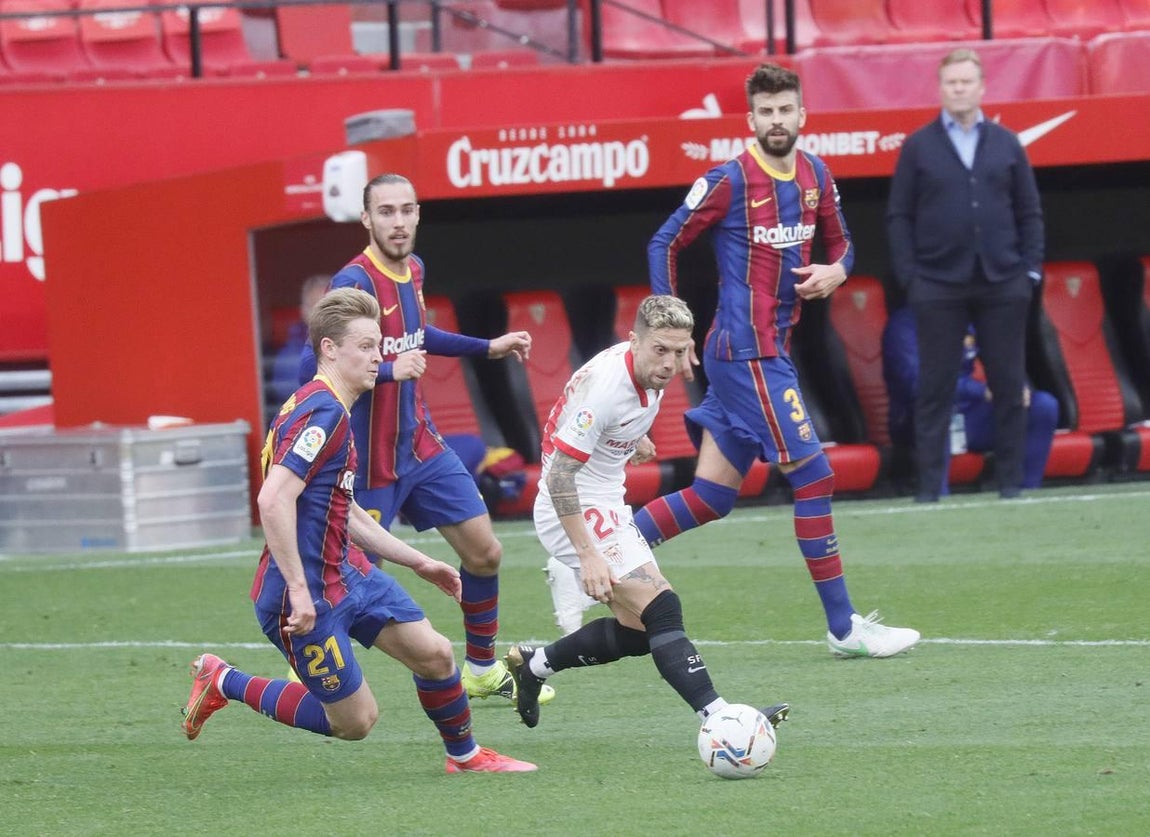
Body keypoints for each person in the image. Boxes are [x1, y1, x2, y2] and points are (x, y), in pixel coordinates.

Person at [629, 62, 919, 659]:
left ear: (802, 115)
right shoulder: (730, 179)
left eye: (786, 110)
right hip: (746, 352)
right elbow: (665, 240)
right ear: (751, 119)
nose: (777, 121)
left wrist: (838, 270)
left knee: (712, 496)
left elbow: (842, 244)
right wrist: (670, 327)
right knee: (815, 475)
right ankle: (844, 628)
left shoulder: (816, 174)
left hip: (767, 350)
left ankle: (604, 547)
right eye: (766, 112)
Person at [181, 288, 535, 773]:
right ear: (329, 349)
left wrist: (419, 560)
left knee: (433, 654)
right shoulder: (323, 412)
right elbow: (273, 498)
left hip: (347, 573)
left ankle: (466, 757)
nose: (378, 356)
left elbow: (341, 511)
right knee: (355, 722)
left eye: (379, 345)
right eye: (366, 346)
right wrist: (302, 593)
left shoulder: (328, 408)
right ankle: (223, 680)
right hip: (299, 597)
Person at [299, 173, 554, 706]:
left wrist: (488, 346)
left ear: (418, 214)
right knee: (351, 593)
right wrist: (388, 371)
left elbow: (418, 336)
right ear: (366, 219)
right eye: (386, 212)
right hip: (367, 465)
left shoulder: (414, 269)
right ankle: (321, 686)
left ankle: (482, 669)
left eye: (407, 210)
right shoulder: (354, 283)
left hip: (420, 447)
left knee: (484, 552)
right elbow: (314, 361)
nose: (398, 221)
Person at [505, 294, 789, 734]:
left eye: (679, 351)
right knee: (663, 608)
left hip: (606, 499)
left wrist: (632, 436)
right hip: (572, 505)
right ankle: (721, 718)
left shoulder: (641, 373)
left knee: (638, 630)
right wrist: (588, 556)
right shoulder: (607, 388)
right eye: (660, 349)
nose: (670, 362)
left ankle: (534, 666)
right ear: (633, 340)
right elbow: (560, 476)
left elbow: (593, 419)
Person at [886, 47, 1045, 502]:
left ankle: (1011, 486)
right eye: (951, 82)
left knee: (1008, 385)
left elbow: (1030, 212)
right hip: (937, 284)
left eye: (966, 81)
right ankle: (929, 491)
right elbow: (899, 216)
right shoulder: (918, 145)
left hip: (1002, 281)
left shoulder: (1006, 142)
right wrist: (910, 278)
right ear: (941, 88)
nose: (958, 89)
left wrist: (1028, 272)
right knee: (935, 389)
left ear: (982, 87)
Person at [882, 306, 1058, 492]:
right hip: (919, 421)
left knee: (1042, 406)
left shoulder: (973, 319)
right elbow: (917, 386)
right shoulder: (905, 325)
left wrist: (1013, 387)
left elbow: (1003, 361)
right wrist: (980, 391)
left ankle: (1025, 493)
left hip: (969, 417)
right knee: (937, 409)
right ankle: (936, 501)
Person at [268, 274, 330, 407]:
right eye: (318, 306)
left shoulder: (355, 345)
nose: (326, 313)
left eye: (332, 305)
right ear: (304, 311)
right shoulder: (290, 356)